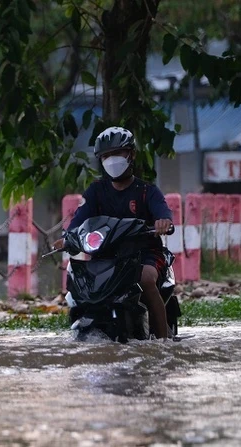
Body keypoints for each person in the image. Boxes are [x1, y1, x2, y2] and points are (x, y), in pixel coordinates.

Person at [54, 126, 174, 339]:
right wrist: (67, 238)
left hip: (144, 255)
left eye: (117, 153)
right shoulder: (96, 191)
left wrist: (163, 222)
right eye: (106, 155)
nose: (112, 159)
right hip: (105, 256)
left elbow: (162, 212)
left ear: (131, 154)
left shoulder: (147, 191)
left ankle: (162, 341)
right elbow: (79, 219)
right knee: (79, 281)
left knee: (146, 278)